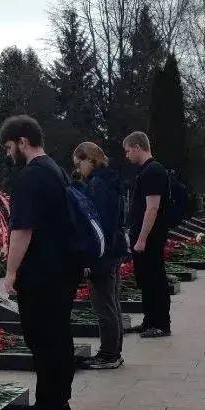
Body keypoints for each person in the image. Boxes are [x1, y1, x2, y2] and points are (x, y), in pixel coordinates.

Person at [2, 115, 80, 410]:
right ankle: (60, 401)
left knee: (42, 337)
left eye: (9, 147)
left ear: (22, 142)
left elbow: (23, 229)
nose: (9, 154)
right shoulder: (57, 170)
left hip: (41, 272)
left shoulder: (31, 176)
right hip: (63, 267)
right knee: (58, 335)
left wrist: (10, 272)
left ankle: (48, 407)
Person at [74, 142, 127, 369]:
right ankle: (114, 351)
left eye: (78, 164)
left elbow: (99, 223)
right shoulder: (108, 179)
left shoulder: (98, 184)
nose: (78, 169)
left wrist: (92, 256)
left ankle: (108, 354)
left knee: (103, 306)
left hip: (103, 252)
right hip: (113, 249)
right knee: (112, 303)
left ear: (90, 160)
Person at [122, 131, 171, 338]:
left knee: (155, 280)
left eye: (128, 151)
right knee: (145, 280)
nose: (127, 155)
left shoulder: (153, 171)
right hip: (143, 235)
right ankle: (149, 321)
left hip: (150, 237)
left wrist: (142, 239)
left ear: (137, 147)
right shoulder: (145, 171)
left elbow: (152, 208)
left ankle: (161, 324)